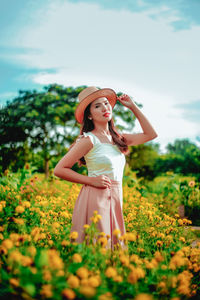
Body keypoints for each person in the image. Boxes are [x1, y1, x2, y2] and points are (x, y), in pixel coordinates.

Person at [54, 86, 157, 250]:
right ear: (89, 114)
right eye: (97, 106)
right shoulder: (89, 140)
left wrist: (132, 106)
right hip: (96, 196)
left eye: (106, 103)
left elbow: (150, 135)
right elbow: (59, 169)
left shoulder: (118, 138)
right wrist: (90, 180)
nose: (105, 108)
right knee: (100, 247)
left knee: (115, 248)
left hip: (116, 195)